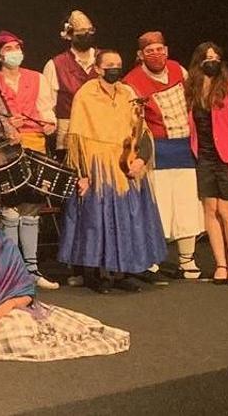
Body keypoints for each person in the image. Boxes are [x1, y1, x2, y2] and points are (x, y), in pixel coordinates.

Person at [0, 187, 130, 361]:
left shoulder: (6, 245)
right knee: (9, 340)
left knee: (26, 331)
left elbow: (25, 292)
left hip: (7, 311)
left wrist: (3, 308)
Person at [60, 50, 167, 294]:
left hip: (125, 160)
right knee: (99, 220)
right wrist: (83, 174)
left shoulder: (128, 92)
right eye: (109, 65)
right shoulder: (86, 94)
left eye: (118, 65)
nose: (115, 69)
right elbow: (76, 138)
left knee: (129, 217)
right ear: (98, 69)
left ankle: (122, 271)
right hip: (98, 163)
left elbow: (142, 129)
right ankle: (98, 274)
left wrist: (141, 159)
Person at [124, 32, 205, 280]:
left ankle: (187, 260)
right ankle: (152, 259)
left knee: (187, 205)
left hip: (184, 149)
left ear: (167, 51)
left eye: (160, 49)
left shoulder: (178, 70)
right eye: (150, 51)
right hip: (156, 152)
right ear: (140, 55)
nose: (156, 54)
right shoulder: (132, 81)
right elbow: (134, 123)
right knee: (157, 207)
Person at [0, 31, 61, 290]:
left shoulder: (37, 78)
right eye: (8, 49)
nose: (14, 53)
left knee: (31, 205)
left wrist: (50, 124)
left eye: (17, 48)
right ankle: (12, 268)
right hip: (7, 147)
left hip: (34, 142)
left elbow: (45, 110)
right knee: (9, 205)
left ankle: (31, 268)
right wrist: (6, 123)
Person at [186, 42, 228, 286]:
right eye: (206, 57)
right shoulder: (192, 88)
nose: (211, 61)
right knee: (210, 211)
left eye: (215, 57)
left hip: (227, 157)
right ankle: (220, 264)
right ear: (199, 62)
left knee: (227, 211)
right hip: (204, 157)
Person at [42, 10, 100, 155]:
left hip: (103, 131)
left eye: (89, 31)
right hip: (69, 133)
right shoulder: (56, 65)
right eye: (81, 32)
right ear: (69, 34)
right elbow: (48, 106)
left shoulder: (104, 59)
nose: (86, 35)